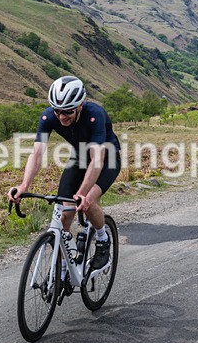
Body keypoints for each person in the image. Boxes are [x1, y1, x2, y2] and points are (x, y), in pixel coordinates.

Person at [8, 76, 121, 271]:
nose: (61, 117)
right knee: (64, 216)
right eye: (57, 110)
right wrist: (24, 185)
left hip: (106, 159)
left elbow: (97, 161)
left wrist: (82, 193)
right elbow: (36, 154)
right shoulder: (48, 117)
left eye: (68, 111)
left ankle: (102, 240)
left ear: (80, 105)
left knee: (87, 202)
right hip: (79, 158)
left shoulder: (95, 115)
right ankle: (61, 268)